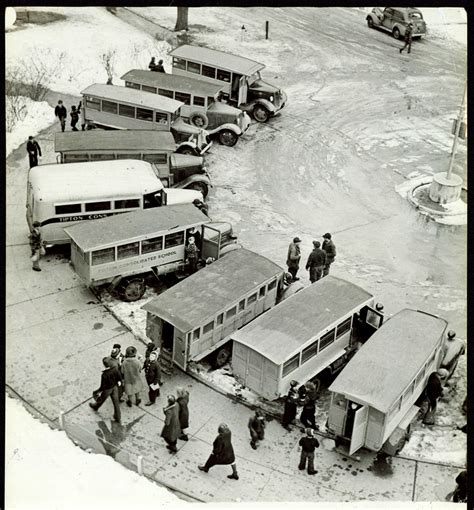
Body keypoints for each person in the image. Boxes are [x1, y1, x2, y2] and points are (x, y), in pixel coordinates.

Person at [89, 357, 122, 424]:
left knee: (101, 399)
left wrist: (98, 391)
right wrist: (119, 381)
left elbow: (103, 386)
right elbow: (119, 376)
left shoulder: (105, 374)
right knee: (116, 403)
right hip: (114, 387)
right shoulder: (115, 368)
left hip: (107, 389)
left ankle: (96, 406)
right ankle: (117, 417)